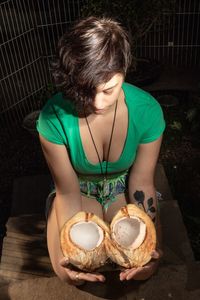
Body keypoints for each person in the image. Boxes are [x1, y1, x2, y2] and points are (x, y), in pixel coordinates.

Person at [36, 16, 165, 286]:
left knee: (138, 260)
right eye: (85, 90)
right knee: (73, 275)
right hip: (78, 192)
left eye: (108, 89)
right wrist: (70, 252)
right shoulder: (52, 117)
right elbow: (67, 191)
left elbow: (142, 182)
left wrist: (150, 250)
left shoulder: (147, 111)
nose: (96, 102)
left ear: (124, 71)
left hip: (122, 189)